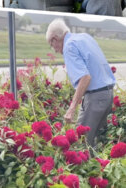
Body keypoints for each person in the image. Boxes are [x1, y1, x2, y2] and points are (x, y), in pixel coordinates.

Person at [46, 18, 116, 149]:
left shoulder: (69, 47)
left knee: (80, 143)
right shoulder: (84, 37)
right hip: (107, 94)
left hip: (95, 97)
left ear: (55, 38)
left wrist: (71, 109)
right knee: (92, 142)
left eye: (51, 44)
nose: (54, 49)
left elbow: (85, 77)